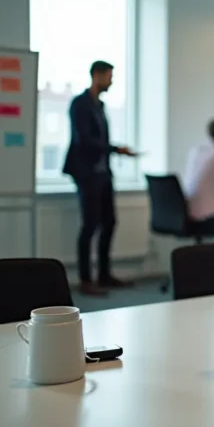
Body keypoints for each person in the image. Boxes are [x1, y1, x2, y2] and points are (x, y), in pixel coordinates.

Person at [63, 60, 138, 296]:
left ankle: (103, 274)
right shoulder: (80, 104)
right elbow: (84, 140)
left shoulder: (100, 106)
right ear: (97, 75)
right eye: (109, 76)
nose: (111, 81)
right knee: (90, 225)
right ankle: (86, 279)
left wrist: (114, 152)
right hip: (86, 173)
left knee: (109, 222)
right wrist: (116, 149)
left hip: (103, 172)